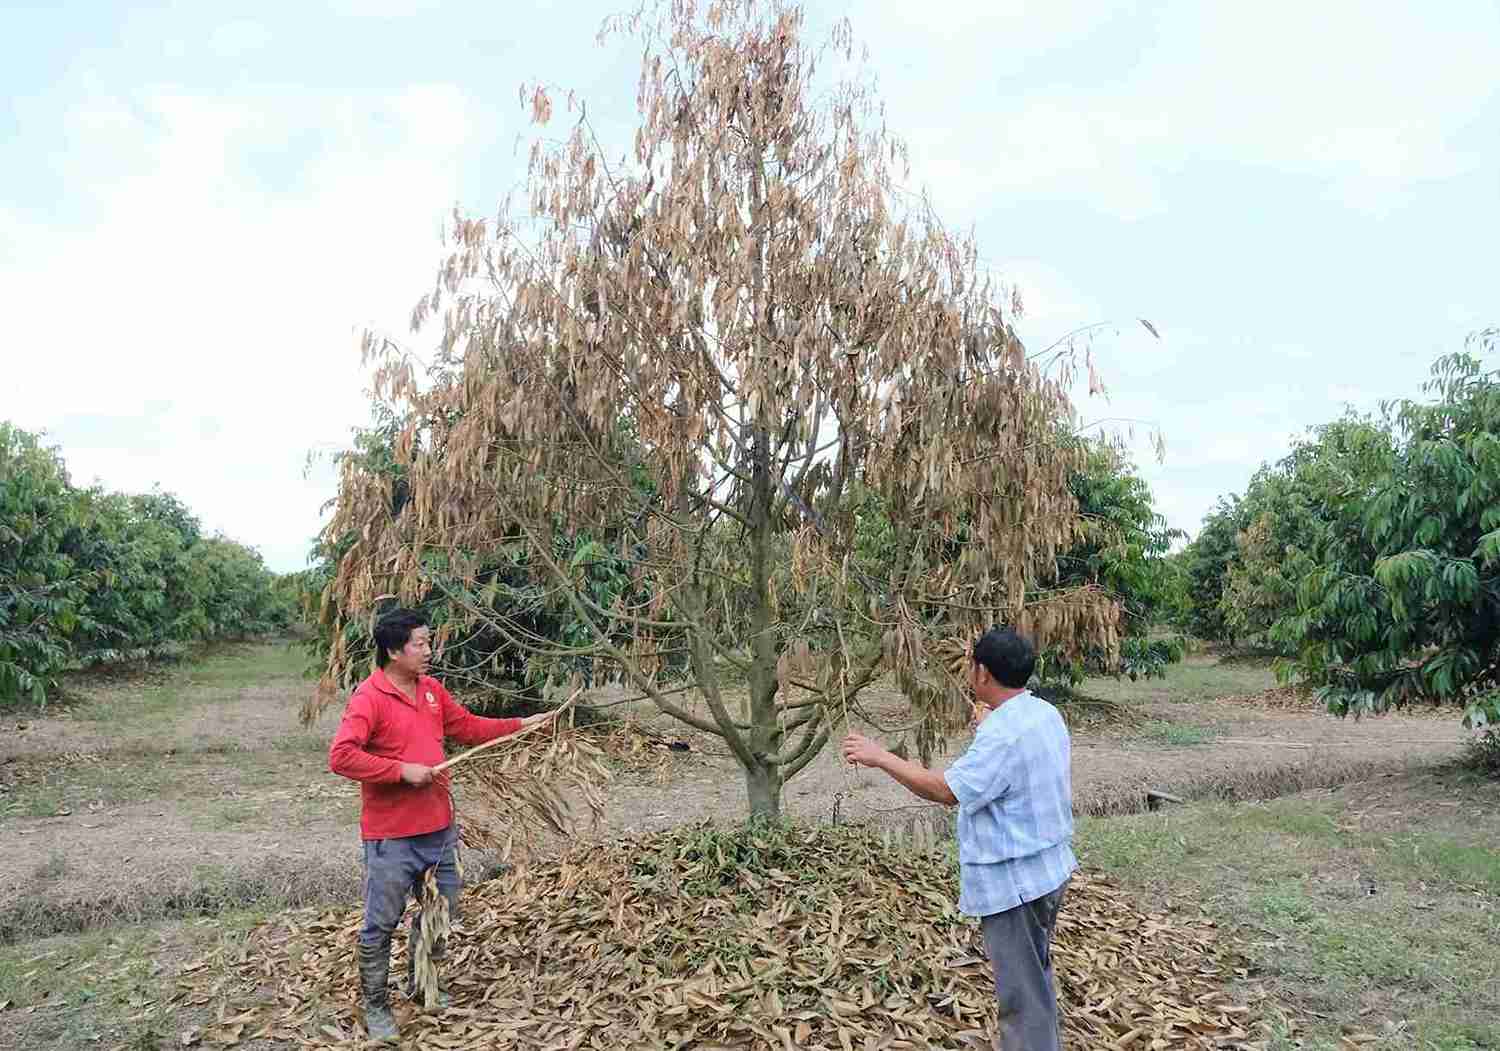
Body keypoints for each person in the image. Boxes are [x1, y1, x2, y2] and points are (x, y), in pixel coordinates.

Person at [842, 627, 1075, 1051]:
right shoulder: (1042, 714)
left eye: (971, 665)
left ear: (983, 672)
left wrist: (882, 757)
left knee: (1020, 998)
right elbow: (1008, 761)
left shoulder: (1003, 735)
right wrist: (989, 724)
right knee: (1035, 978)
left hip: (1017, 887)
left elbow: (946, 791)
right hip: (1050, 872)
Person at [329, 608, 554, 1044]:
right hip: (392, 837)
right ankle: (377, 1007)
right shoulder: (369, 698)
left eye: (429, 642)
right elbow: (341, 756)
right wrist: (400, 770)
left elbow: (466, 727)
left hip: (438, 830)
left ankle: (422, 984)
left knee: (441, 912)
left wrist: (519, 725)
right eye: (420, 643)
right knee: (380, 924)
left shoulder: (431, 691)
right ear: (393, 651)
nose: (429, 651)